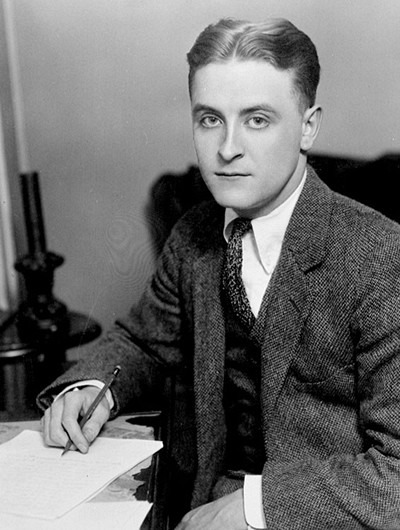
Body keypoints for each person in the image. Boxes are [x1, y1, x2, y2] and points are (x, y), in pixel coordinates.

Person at [38, 17, 400, 530]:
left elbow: (396, 473)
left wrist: (256, 509)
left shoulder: (379, 256)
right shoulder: (194, 234)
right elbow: (143, 342)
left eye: (257, 120)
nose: (227, 148)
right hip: (198, 500)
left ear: (308, 126)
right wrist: (91, 387)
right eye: (210, 119)